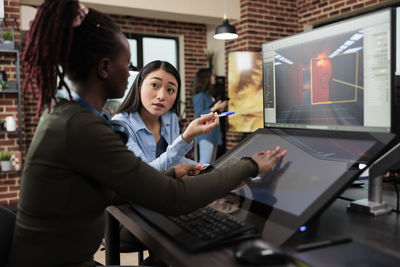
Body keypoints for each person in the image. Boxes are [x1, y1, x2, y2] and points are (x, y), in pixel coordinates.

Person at [6, 1, 286, 266]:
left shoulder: (66, 115)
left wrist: (171, 173)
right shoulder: (81, 127)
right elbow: (172, 198)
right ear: (104, 68)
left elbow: (120, 187)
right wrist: (248, 165)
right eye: (126, 65)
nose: (130, 74)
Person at [113, 60, 203, 171]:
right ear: (140, 86)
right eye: (154, 85)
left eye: (170, 90)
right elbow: (145, 173)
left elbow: (176, 159)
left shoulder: (170, 117)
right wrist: (186, 137)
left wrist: (204, 168)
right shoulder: (120, 126)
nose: (161, 96)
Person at [193, 68, 228, 164]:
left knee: (211, 164)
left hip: (214, 133)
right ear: (206, 78)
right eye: (212, 75)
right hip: (206, 134)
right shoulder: (200, 96)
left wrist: (219, 109)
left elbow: (211, 112)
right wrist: (214, 108)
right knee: (205, 163)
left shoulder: (209, 95)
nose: (214, 77)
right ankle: (199, 180)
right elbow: (199, 115)